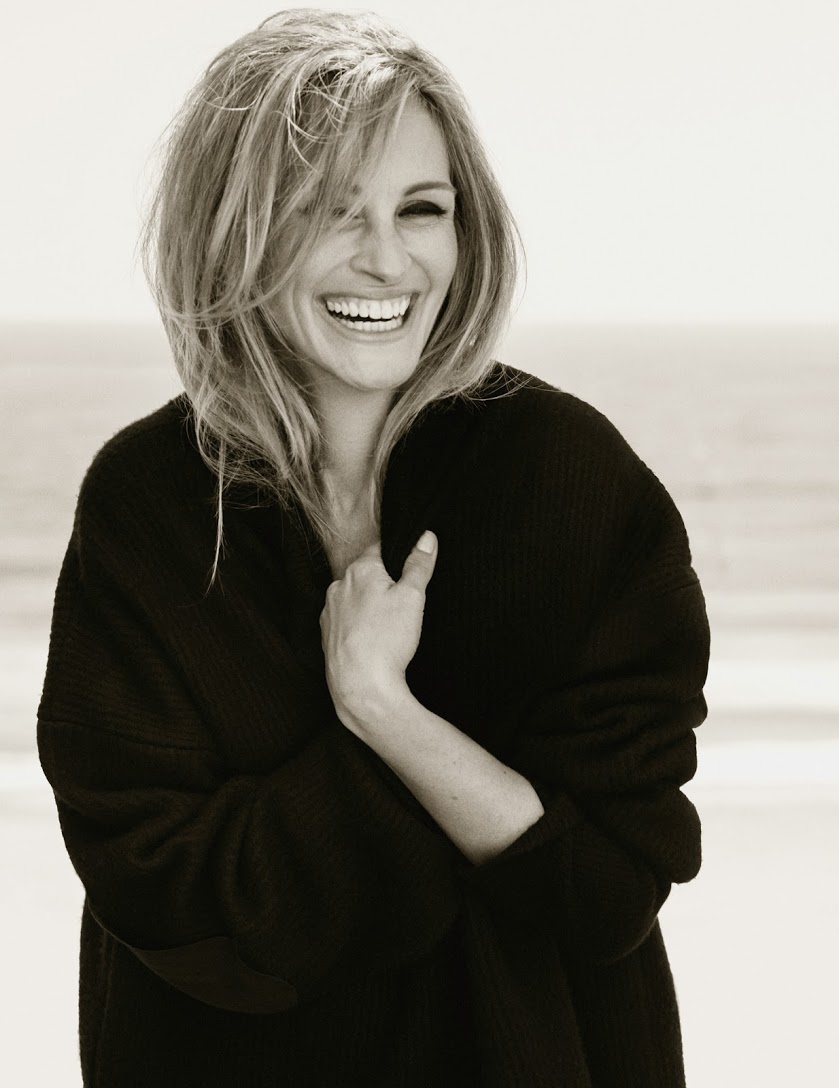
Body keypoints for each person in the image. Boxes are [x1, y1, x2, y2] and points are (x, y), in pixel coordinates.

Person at [37, 8, 710, 1087]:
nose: (387, 259)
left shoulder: (568, 478)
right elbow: (167, 898)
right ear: (233, 228)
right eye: (327, 210)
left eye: (421, 208)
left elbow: (605, 889)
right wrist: (465, 797)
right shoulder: (151, 504)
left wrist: (385, 710)